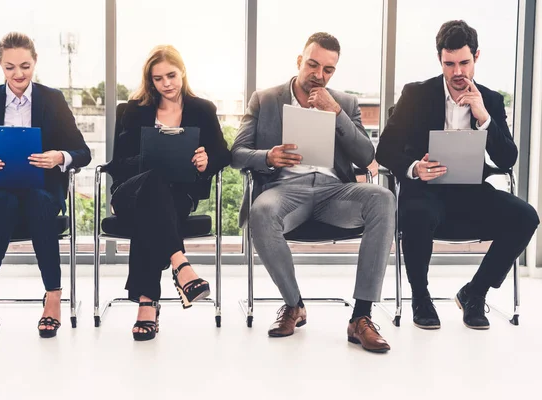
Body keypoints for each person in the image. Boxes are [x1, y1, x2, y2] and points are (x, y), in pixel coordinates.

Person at [231, 32, 395, 353]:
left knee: (383, 199)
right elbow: (237, 152)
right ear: (299, 61)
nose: (319, 75)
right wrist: (267, 156)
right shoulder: (265, 100)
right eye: (313, 65)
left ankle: (361, 317)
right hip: (285, 190)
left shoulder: (345, 103)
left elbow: (365, 158)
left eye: (328, 70)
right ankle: (294, 305)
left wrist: (336, 113)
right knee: (261, 210)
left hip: (335, 193)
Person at [376, 20, 539, 330]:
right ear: (440, 60)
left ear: (476, 56)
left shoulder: (490, 100)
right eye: (449, 64)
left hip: (471, 194)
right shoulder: (416, 94)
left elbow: (507, 159)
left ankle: (474, 293)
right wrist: (414, 168)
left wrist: (484, 119)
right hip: (425, 191)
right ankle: (421, 298)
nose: (457, 72)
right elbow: (385, 150)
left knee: (526, 216)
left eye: (464, 62)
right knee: (417, 212)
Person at [0, 32, 91, 338]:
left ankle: (53, 297)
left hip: (43, 191)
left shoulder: (53, 100)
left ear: (35, 62)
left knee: (36, 200)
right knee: (5, 202)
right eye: (10, 67)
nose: (19, 74)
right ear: (0, 65)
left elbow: (82, 153)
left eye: (25, 65)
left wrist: (58, 156)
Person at [106, 45, 231, 341]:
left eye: (171, 75)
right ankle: (181, 266)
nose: (167, 84)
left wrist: (206, 161)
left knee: (154, 209)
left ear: (182, 72)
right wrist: (152, 159)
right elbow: (116, 163)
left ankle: (147, 304)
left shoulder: (202, 109)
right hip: (131, 192)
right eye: (158, 79)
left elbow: (223, 154)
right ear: (151, 81)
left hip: (177, 195)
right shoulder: (133, 111)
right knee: (155, 182)